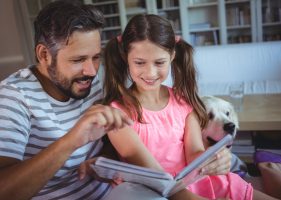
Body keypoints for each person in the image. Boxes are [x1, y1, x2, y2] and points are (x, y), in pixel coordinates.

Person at [0, 1, 181, 200]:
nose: (92, 71)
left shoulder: (93, 81)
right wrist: (72, 140)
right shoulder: (13, 98)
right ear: (44, 55)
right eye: (78, 60)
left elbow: (114, 137)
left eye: (96, 57)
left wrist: (105, 161)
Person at [99, 14, 274, 200]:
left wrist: (216, 159)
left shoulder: (183, 101)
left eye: (159, 62)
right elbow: (160, 180)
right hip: (159, 193)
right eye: (140, 62)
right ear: (126, 57)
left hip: (196, 183)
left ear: (172, 56)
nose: (150, 72)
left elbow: (194, 155)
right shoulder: (116, 114)